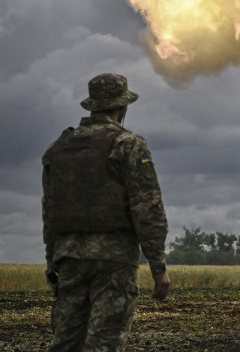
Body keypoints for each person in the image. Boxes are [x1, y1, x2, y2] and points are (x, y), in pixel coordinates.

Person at [41, 72, 171, 351]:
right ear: (121, 107)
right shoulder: (128, 144)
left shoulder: (57, 150)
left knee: (65, 343)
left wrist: (52, 264)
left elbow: (50, 213)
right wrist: (158, 268)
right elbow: (147, 208)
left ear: (92, 105)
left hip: (69, 259)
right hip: (114, 262)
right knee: (104, 344)